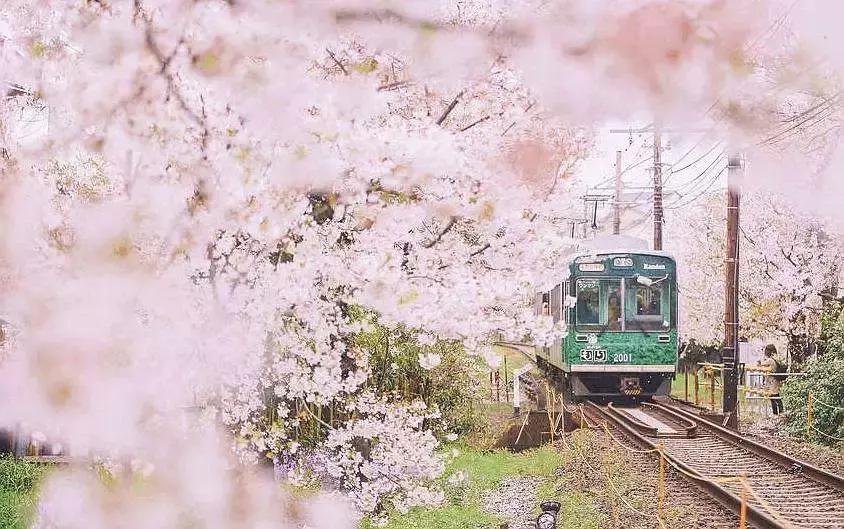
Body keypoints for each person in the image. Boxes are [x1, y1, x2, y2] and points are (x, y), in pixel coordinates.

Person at [759, 344, 784, 415]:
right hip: (775, 380)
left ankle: (777, 412)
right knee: (775, 396)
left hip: (772, 381)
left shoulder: (770, 360)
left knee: (774, 396)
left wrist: (761, 359)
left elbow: (761, 364)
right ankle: (778, 412)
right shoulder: (775, 358)